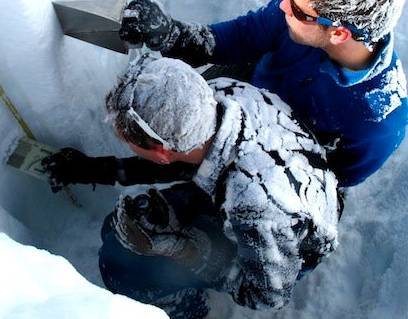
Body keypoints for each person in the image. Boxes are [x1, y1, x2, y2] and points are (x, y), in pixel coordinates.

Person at [42, 54, 340, 318]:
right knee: (116, 230)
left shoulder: (256, 209)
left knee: (118, 263)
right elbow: (185, 161)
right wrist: (94, 170)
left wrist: (182, 247)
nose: (127, 146)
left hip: (286, 244)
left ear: (161, 152)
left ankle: (190, 310)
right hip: (256, 189)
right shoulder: (218, 96)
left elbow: (267, 295)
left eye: (129, 143)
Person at [118, 0, 408, 187]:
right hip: (245, 88)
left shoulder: (376, 123)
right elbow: (247, 37)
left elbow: (323, 188)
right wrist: (173, 36)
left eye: (295, 8)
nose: (284, 6)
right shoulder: (308, 4)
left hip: (266, 165)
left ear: (339, 33)